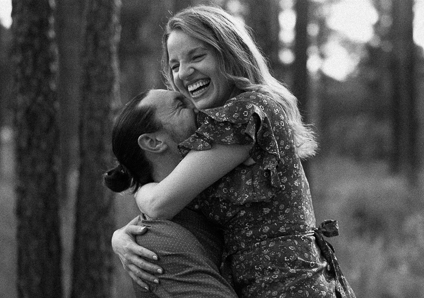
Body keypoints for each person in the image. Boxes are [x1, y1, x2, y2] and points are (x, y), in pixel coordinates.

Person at [111, 5, 356, 297]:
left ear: (228, 53)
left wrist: (138, 189)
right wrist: (120, 237)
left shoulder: (247, 112)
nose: (184, 73)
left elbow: (160, 203)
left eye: (197, 56)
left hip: (294, 286)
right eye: (174, 65)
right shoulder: (209, 131)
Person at [105, 90, 238, 297]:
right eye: (180, 105)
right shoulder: (157, 243)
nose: (197, 106)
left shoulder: (199, 206)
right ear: (153, 142)